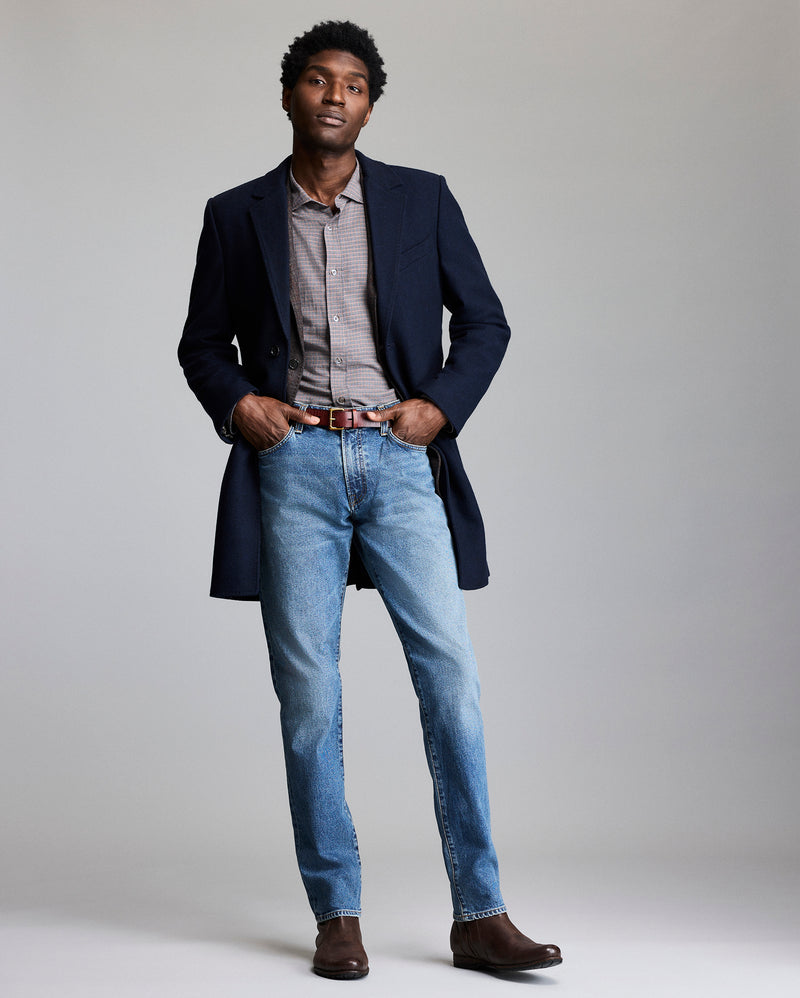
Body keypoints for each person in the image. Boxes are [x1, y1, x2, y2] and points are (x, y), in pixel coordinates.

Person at [179, 19, 562, 981]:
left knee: (451, 680)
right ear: (290, 95)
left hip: (397, 458)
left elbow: (486, 322)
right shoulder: (235, 214)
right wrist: (242, 404)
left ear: (370, 106)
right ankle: (336, 913)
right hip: (294, 464)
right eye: (319, 80)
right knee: (310, 696)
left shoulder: (420, 199)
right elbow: (201, 344)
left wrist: (441, 406)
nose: (335, 96)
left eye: (353, 84)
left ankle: (480, 914)